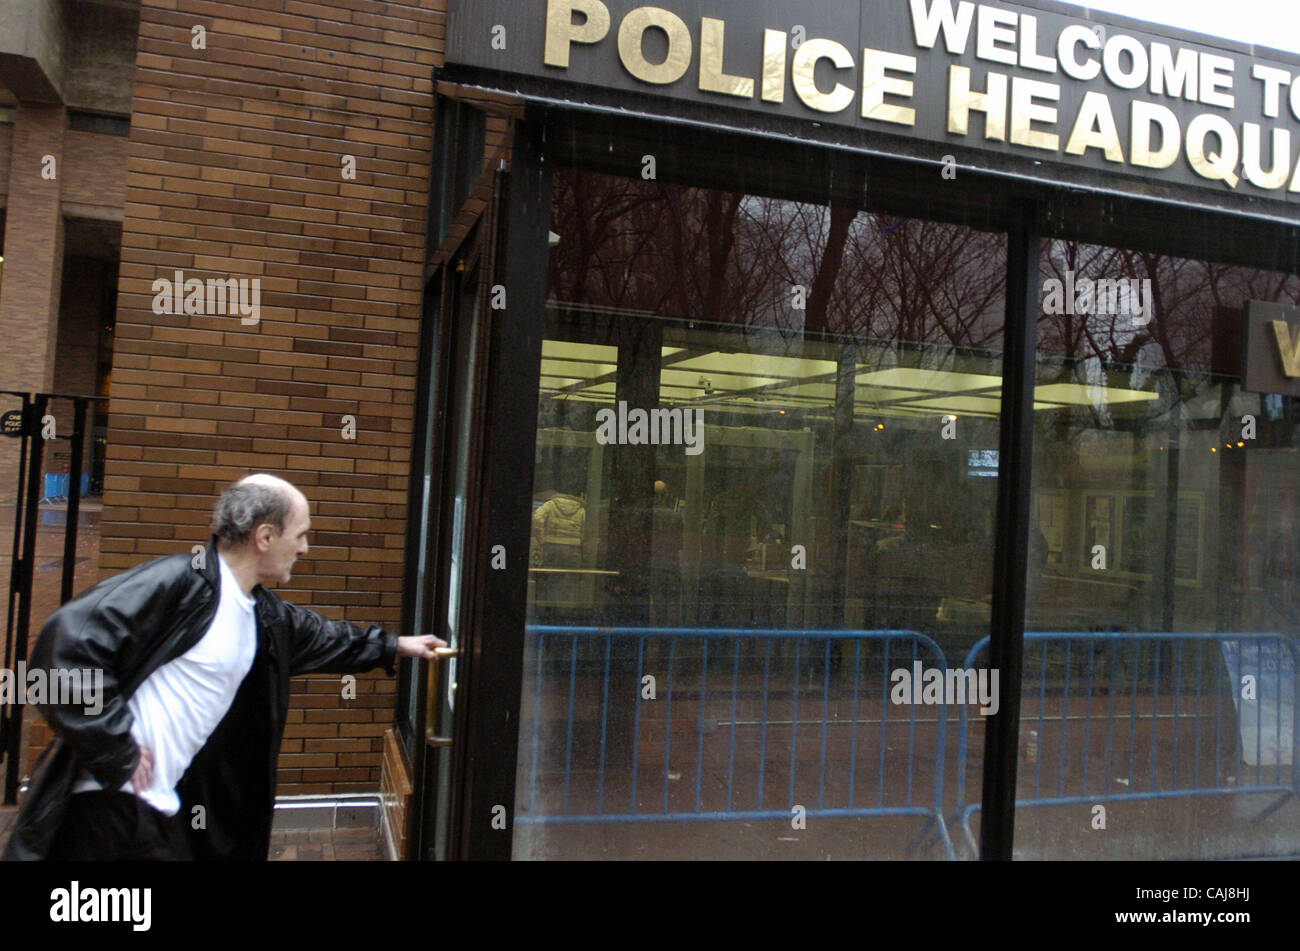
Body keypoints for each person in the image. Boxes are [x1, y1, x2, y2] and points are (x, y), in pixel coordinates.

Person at [2, 473, 444, 861]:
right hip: (111, 811)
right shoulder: (183, 584)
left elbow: (327, 638)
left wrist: (398, 645)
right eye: (301, 534)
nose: (305, 549)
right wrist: (116, 746)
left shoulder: (261, 613)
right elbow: (67, 644)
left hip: (155, 811)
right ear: (265, 537)